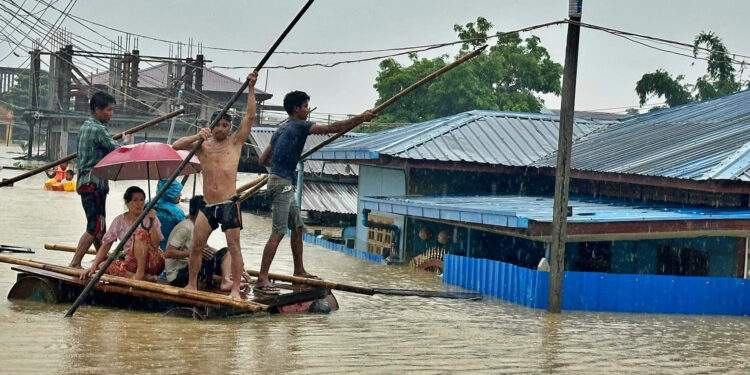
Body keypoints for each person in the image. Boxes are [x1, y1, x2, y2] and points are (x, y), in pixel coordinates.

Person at [254, 90, 376, 294]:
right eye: (305, 107)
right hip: (282, 185)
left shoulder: (280, 130)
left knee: (298, 227)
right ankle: (262, 278)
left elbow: (262, 160)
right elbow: (333, 128)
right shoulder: (301, 125)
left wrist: (283, 163)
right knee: (278, 232)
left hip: (279, 182)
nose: (308, 111)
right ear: (296, 109)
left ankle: (299, 270)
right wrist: (361, 118)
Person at [172, 72, 258, 298]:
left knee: (234, 246)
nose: (221, 129)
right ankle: (191, 284)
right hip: (208, 204)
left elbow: (249, 117)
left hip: (229, 202)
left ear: (229, 127)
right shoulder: (203, 145)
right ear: (211, 126)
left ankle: (236, 289)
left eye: (225, 125)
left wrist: (250, 88)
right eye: (217, 125)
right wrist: (196, 136)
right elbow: (175, 146)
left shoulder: (236, 142)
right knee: (197, 245)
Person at [69, 92, 131, 268]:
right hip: (93, 184)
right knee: (95, 226)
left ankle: (102, 262)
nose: (111, 114)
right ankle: (75, 263)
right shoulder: (98, 129)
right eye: (109, 110)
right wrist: (125, 142)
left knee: (100, 227)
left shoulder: (86, 127)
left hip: (86, 183)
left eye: (112, 110)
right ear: (97, 109)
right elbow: (117, 152)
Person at [81, 186, 165, 281]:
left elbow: (155, 244)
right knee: (103, 265)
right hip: (132, 262)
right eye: (135, 200)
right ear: (127, 202)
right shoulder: (119, 221)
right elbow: (106, 245)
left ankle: (140, 274)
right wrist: (93, 266)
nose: (139, 204)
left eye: (142, 200)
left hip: (152, 261)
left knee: (140, 234)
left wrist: (152, 221)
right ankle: (143, 278)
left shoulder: (150, 218)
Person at [164, 195, 248, 290]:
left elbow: (207, 248)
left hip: (189, 269)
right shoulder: (185, 228)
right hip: (178, 275)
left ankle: (226, 280)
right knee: (204, 258)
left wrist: (233, 261)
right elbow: (168, 253)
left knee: (227, 252)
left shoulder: (199, 228)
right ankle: (201, 283)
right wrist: (191, 253)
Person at [151, 178, 185, 250]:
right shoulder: (177, 212)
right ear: (172, 193)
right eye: (178, 192)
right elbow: (185, 232)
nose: (181, 194)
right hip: (170, 250)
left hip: (149, 248)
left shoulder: (148, 204)